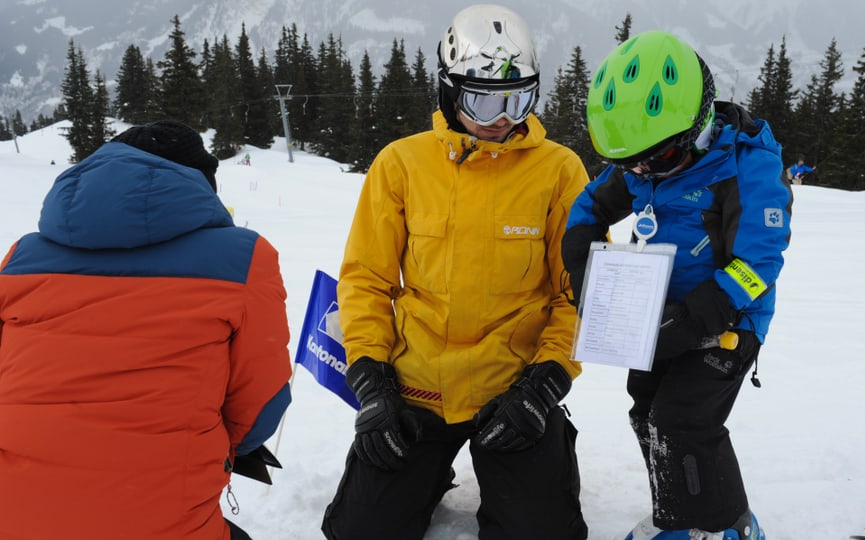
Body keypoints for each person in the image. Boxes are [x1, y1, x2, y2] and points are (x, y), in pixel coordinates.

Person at [321, 5, 589, 540]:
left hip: (512, 391)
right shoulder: (401, 164)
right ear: (449, 89)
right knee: (359, 532)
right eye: (482, 99)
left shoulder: (559, 171)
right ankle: (423, 471)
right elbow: (366, 280)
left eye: (518, 99)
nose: (501, 118)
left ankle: (543, 456)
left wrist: (545, 385)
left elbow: (577, 295)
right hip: (417, 388)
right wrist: (371, 382)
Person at [0, 120, 293, 540]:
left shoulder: (20, 258)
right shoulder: (244, 259)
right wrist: (217, 449)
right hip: (161, 514)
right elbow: (261, 403)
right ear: (202, 184)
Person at [562, 31, 792, 540]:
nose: (641, 172)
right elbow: (590, 205)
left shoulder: (748, 166)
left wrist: (696, 317)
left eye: (654, 160)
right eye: (629, 162)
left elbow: (759, 261)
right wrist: (582, 263)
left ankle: (717, 526)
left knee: (682, 419)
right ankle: (683, 511)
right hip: (661, 312)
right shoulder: (649, 158)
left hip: (731, 319)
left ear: (698, 123)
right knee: (645, 409)